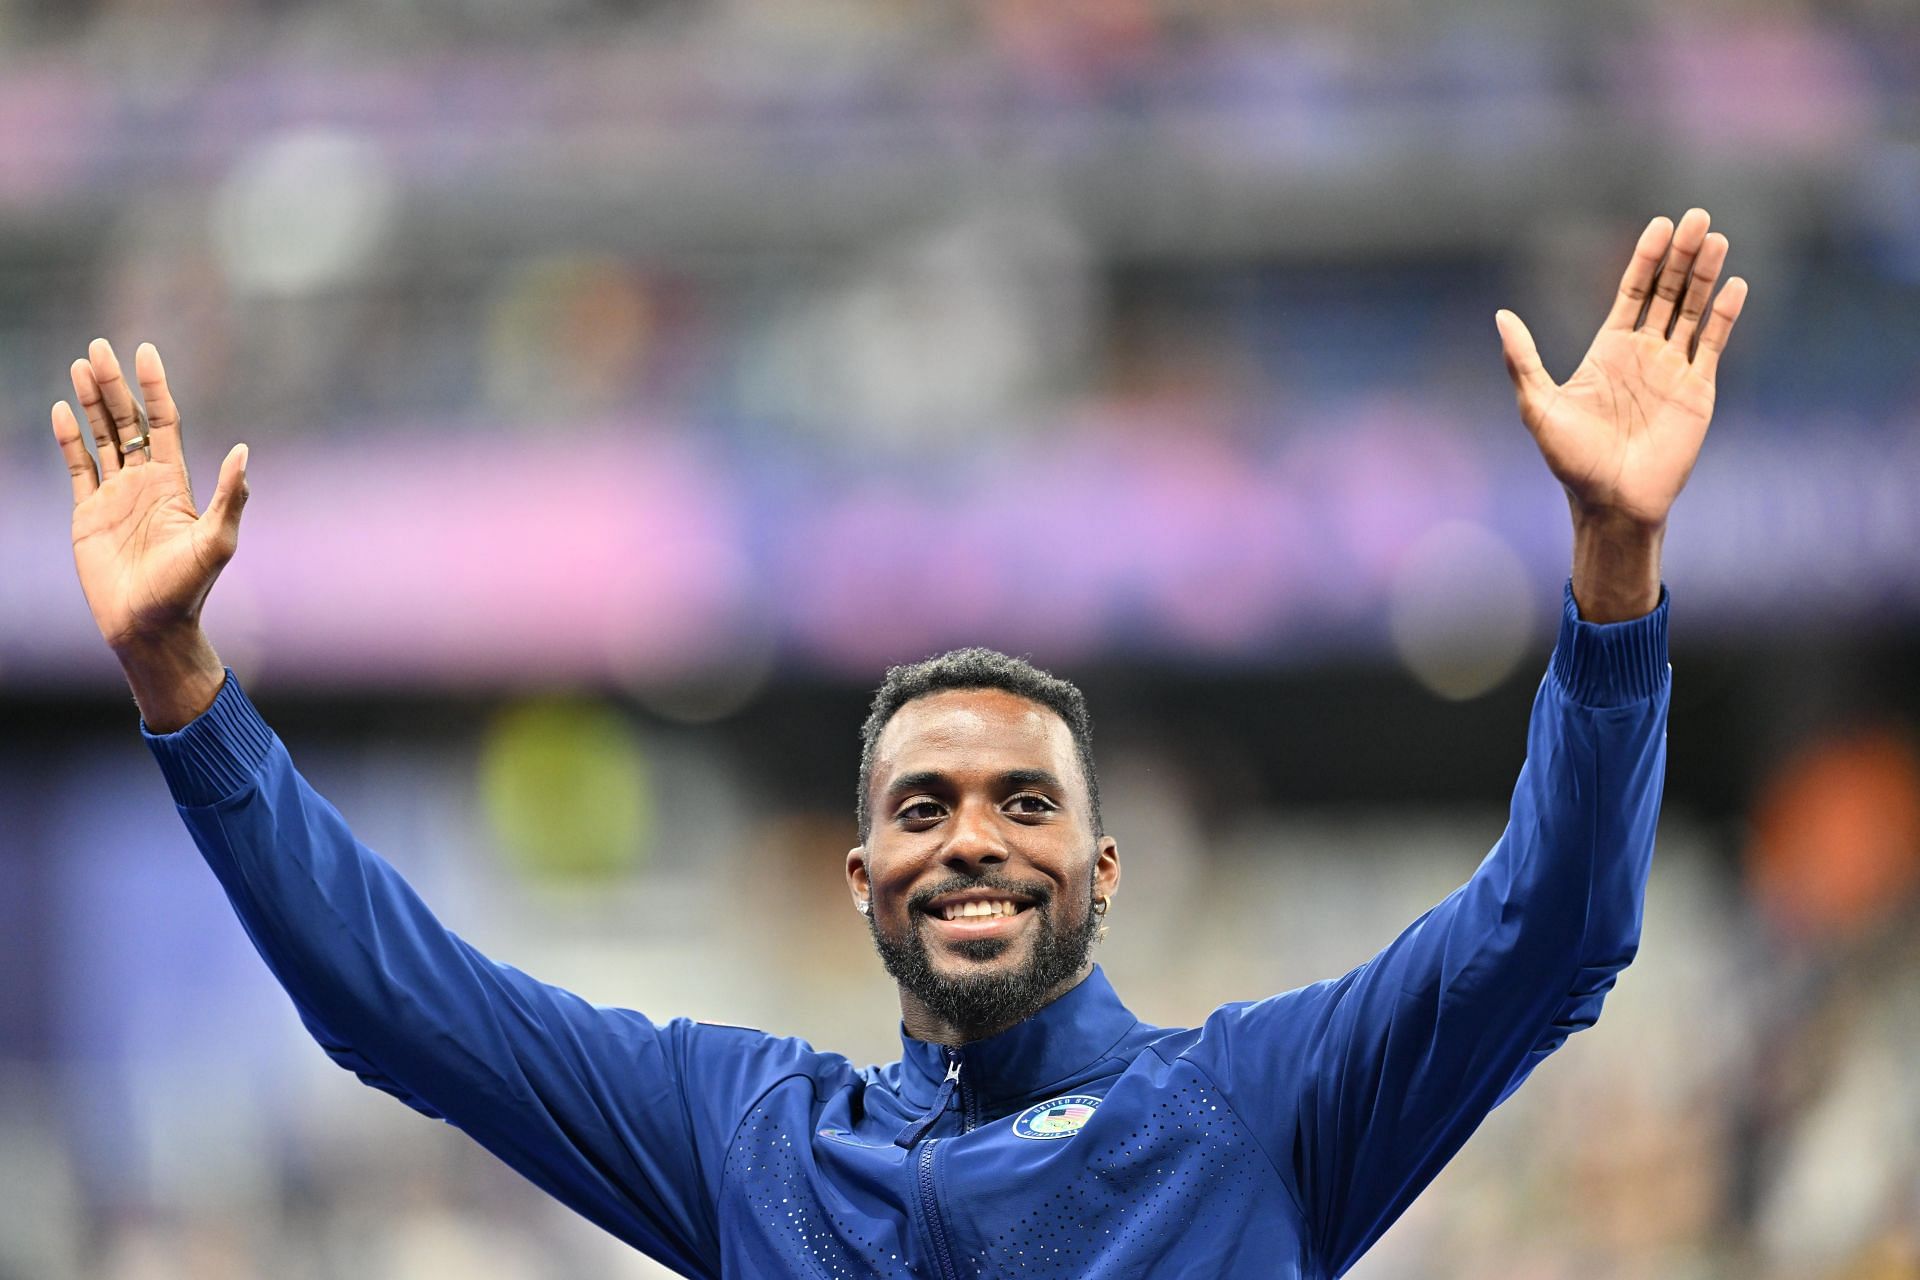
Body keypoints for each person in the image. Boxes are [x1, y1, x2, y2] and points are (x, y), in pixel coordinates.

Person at [50, 209, 1747, 1279]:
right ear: (865, 877)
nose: (973, 838)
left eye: (1025, 801)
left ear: (1101, 867)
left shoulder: (1261, 1109)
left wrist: (1613, 571)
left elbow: (1555, 935)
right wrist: (184, 684)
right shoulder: (747, 1137)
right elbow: (400, 1001)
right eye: (923, 808)